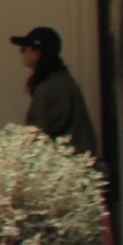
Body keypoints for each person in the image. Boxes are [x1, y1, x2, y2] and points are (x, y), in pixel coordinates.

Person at [12, 26, 99, 158]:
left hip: (64, 167)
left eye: (24, 49)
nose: (21, 53)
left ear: (37, 54)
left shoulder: (52, 87)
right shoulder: (60, 81)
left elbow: (39, 133)